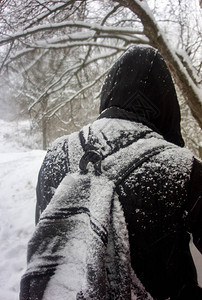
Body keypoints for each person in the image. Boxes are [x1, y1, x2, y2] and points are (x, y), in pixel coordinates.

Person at [20, 46, 202, 300]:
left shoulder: (56, 153)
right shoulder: (183, 167)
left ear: (109, 91)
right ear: (166, 102)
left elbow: (46, 240)